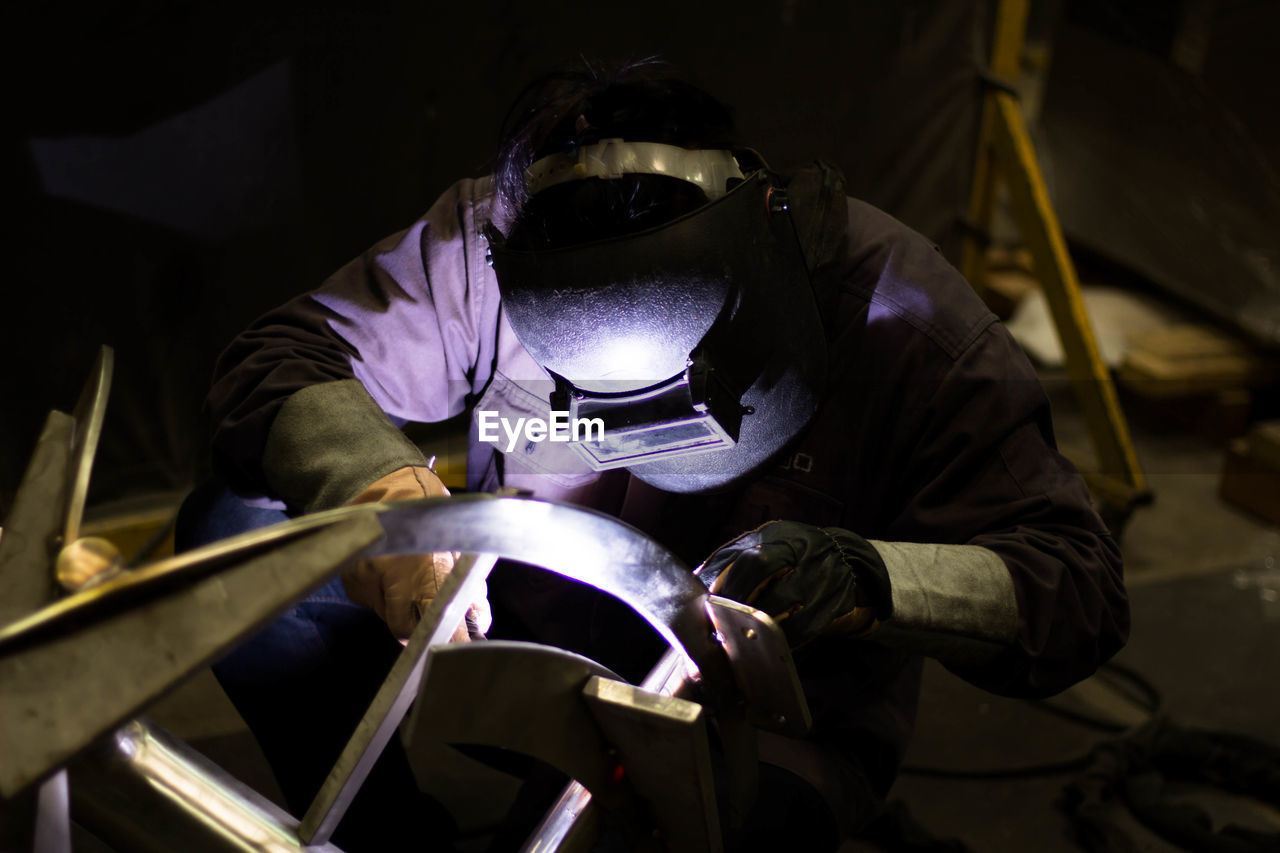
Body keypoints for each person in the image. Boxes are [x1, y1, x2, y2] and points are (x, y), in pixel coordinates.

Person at [193, 59, 1129, 851]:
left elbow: (1076, 584)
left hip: (749, 725)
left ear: (758, 249)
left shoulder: (903, 318)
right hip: (514, 645)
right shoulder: (487, 247)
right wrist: (384, 495)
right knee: (245, 528)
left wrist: (867, 581)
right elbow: (282, 360)